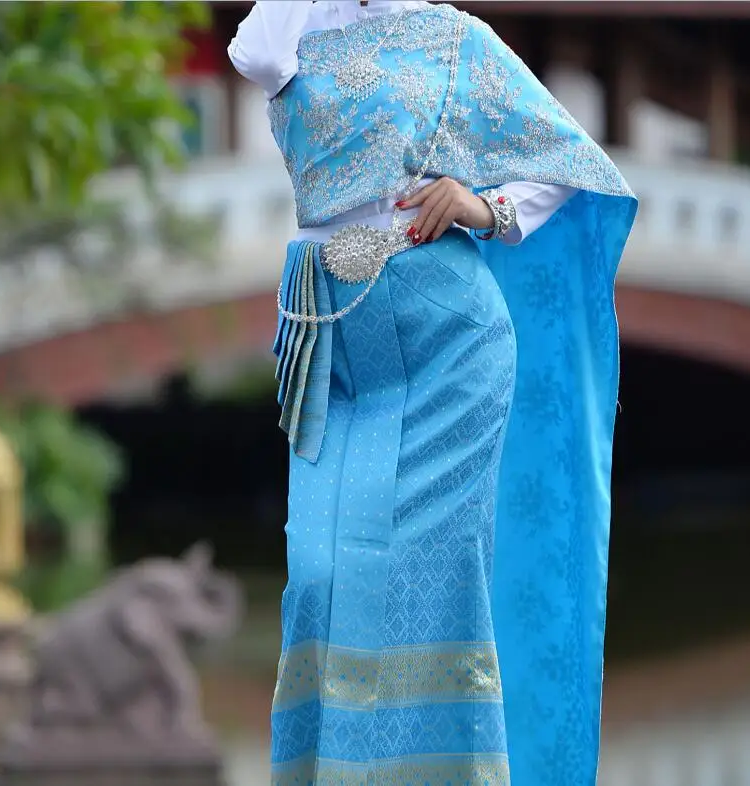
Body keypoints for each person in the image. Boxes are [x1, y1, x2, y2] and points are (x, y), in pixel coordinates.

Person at [228, 2, 637, 784]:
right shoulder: (296, 26)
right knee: (318, 577)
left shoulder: (456, 38)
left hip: (450, 341)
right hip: (330, 338)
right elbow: (258, 56)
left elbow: (575, 164)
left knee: (429, 587)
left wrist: (486, 207)